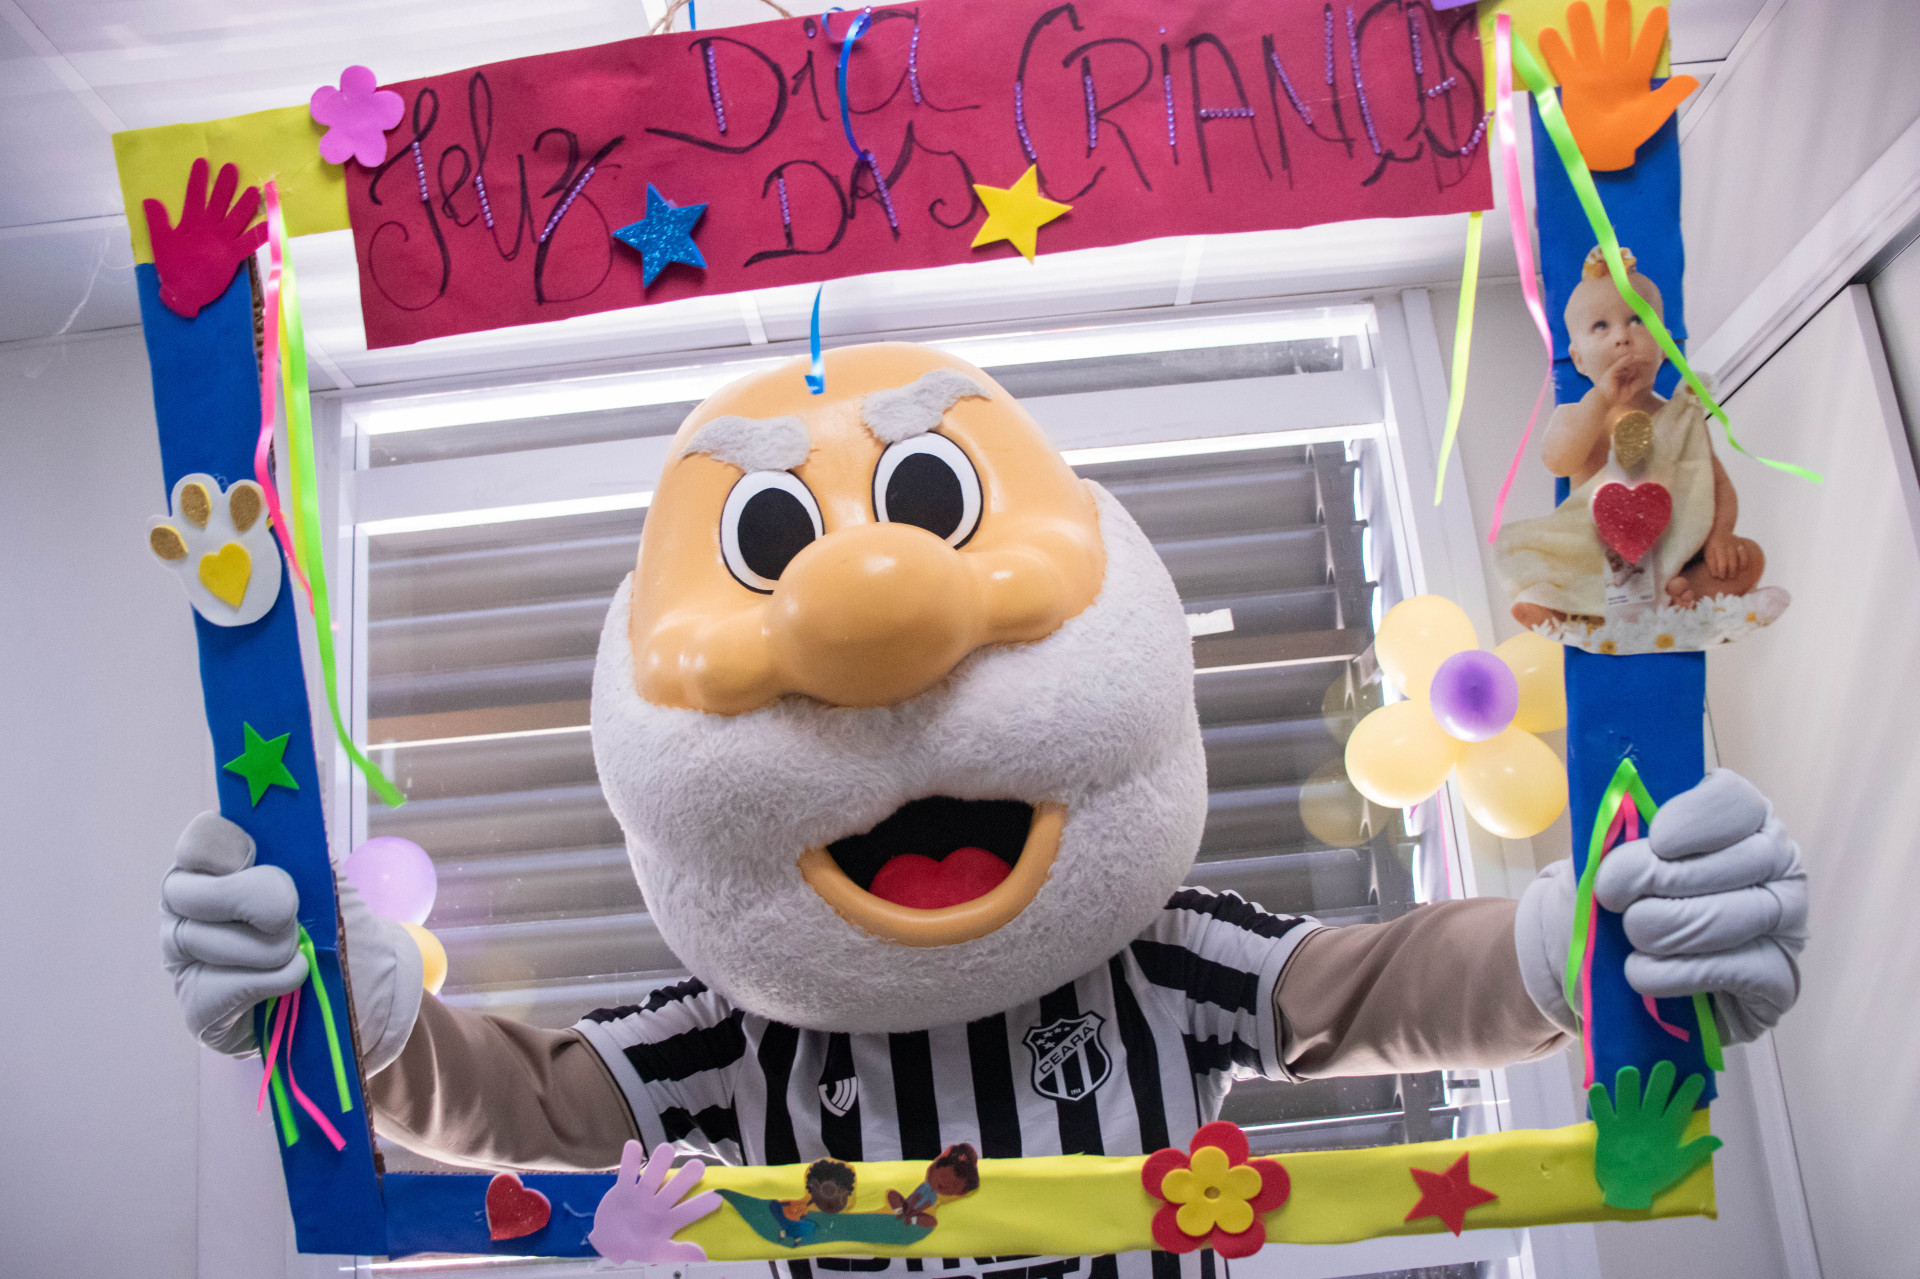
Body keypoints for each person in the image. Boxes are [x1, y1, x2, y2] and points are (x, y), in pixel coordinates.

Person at [159, 345, 1808, 1278]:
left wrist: (1584, 939)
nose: (874, 614)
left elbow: (1364, 988)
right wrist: (364, 1022)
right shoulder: (732, 1036)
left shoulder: (1160, 957)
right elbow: (529, 1104)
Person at [1497, 247, 1765, 629]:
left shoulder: (1683, 416)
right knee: (1537, 587)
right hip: (1598, 560)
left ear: (1666, 345)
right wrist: (1600, 401)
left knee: (1748, 558)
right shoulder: (1578, 416)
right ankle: (1590, 609)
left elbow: (1718, 485)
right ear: (1578, 359)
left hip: (1675, 552)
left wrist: (1721, 536)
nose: (1623, 337)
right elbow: (1559, 460)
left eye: (1638, 320)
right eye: (1601, 327)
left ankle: (1676, 593)